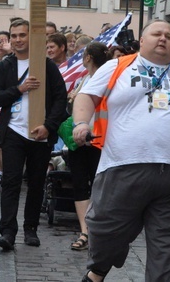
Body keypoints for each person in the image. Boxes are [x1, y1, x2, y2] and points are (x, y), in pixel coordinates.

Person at [71, 19, 170, 281]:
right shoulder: (116, 67)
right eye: (156, 34)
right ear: (142, 41)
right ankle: (99, 268)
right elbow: (87, 96)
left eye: (169, 35)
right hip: (123, 167)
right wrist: (80, 124)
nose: (163, 38)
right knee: (105, 229)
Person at [0, 19, 67, 250]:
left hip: (40, 134)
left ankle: (30, 228)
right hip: (13, 131)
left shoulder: (46, 66)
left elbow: (60, 99)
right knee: (11, 182)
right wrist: (19, 90)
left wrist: (48, 126)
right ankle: (8, 231)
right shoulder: (5, 66)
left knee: (36, 182)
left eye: (22, 35)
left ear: (30, 38)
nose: (18, 40)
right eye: (14, 36)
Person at [66, 41, 107, 252]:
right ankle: (85, 230)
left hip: (99, 140)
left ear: (88, 57)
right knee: (80, 184)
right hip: (79, 140)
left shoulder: (107, 78)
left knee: (99, 186)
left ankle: (95, 231)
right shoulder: (84, 79)